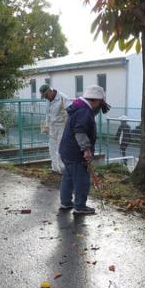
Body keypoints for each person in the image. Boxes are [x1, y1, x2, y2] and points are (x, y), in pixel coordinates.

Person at [59, 84, 110, 215]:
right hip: (76, 153)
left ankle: (65, 202)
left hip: (66, 150)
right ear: (96, 100)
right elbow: (80, 131)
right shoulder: (84, 111)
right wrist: (86, 149)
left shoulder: (78, 107)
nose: (101, 105)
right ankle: (80, 206)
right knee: (82, 179)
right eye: (101, 102)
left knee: (68, 177)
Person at [39, 84, 69, 174]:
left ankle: (63, 169)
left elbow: (69, 113)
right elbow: (47, 114)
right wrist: (46, 126)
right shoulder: (48, 100)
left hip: (62, 126)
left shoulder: (63, 98)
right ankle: (55, 169)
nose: (46, 98)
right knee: (52, 148)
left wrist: (68, 127)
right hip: (52, 127)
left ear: (50, 91)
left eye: (46, 95)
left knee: (60, 149)